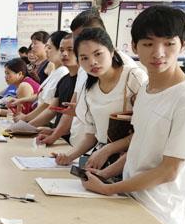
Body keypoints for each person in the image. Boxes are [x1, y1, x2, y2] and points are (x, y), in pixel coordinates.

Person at [83, 5, 185, 224]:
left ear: (183, 45)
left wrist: (109, 188)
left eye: (169, 43)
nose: (158, 53)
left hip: (160, 217)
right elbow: (139, 145)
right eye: (148, 44)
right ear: (134, 46)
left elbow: (169, 171)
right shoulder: (146, 89)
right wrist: (105, 174)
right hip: (132, 201)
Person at [52, 28, 147, 166]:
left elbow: (145, 131)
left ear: (112, 52)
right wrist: (68, 156)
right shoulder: (89, 88)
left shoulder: (133, 78)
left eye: (98, 54)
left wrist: (108, 149)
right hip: (103, 160)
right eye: (84, 58)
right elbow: (91, 135)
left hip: (129, 161)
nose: (92, 62)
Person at [12, 30, 69, 125]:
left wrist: (26, 120)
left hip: (47, 122)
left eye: (49, 47)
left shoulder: (62, 72)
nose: (46, 50)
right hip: (39, 118)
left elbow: (47, 105)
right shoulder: (55, 71)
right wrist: (20, 100)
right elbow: (41, 95)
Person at [35, 34, 79, 143]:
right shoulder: (63, 79)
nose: (64, 54)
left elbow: (70, 115)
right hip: (60, 137)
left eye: (70, 50)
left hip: (73, 140)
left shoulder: (83, 80)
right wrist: (28, 127)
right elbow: (52, 110)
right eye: (62, 50)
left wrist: (54, 134)